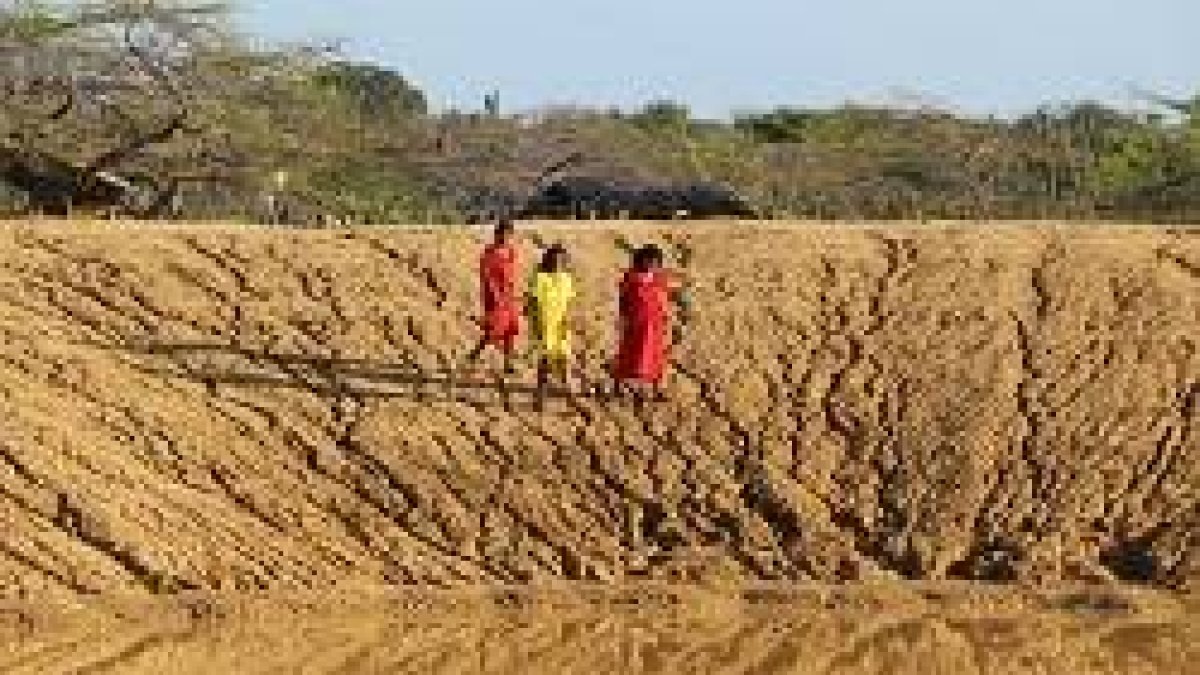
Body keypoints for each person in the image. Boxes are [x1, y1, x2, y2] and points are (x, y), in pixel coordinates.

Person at [612, 244, 674, 401]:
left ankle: (656, 388)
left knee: (656, 356)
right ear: (641, 260)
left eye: (655, 262)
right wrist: (623, 318)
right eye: (649, 261)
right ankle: (618, 385)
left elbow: (663, 299)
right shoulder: (631, 278)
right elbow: (623, 300)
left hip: (656, 323)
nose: (652, 265)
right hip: (636, 323)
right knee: (631, 354)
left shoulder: (660, 279)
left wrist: (667, 316)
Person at [466, 219, 521, 373]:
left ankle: (508, 363)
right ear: (496, 235)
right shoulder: (488, 253)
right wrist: (495, 295)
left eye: (508, 235)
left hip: (509, 296)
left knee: (511, 329)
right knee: (494, 331)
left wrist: (514, 293)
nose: (505, 238)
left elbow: (513, 274)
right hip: (493, 297)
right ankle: (474, 354)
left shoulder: (511, 252)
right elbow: (486, 276)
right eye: (502, 234)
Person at [528, 244, 576, 406]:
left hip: (560, 325)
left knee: (564, 359)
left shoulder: (567, 279)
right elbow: (532, 304)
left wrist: (567, 321)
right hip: (544, 325)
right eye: (554, 260)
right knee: (545, 362)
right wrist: (536, 326)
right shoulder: (539, 278)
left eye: (560, 260)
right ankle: (540, 394)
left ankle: (568, 393)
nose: (557, 264)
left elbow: (569, 303)